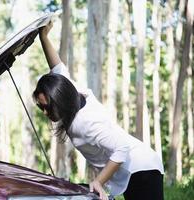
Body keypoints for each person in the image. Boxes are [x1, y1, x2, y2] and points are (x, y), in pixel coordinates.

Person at [33, 21, 164, 200]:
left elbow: (121, 148)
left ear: (60, 99)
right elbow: (57, 68)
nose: (45, 113)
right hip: (131, 169)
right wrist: (44, 37)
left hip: (142, 168)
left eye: (48, 107)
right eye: (42, 107)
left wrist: (99, 182)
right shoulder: (71, 93)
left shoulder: (85, 122)